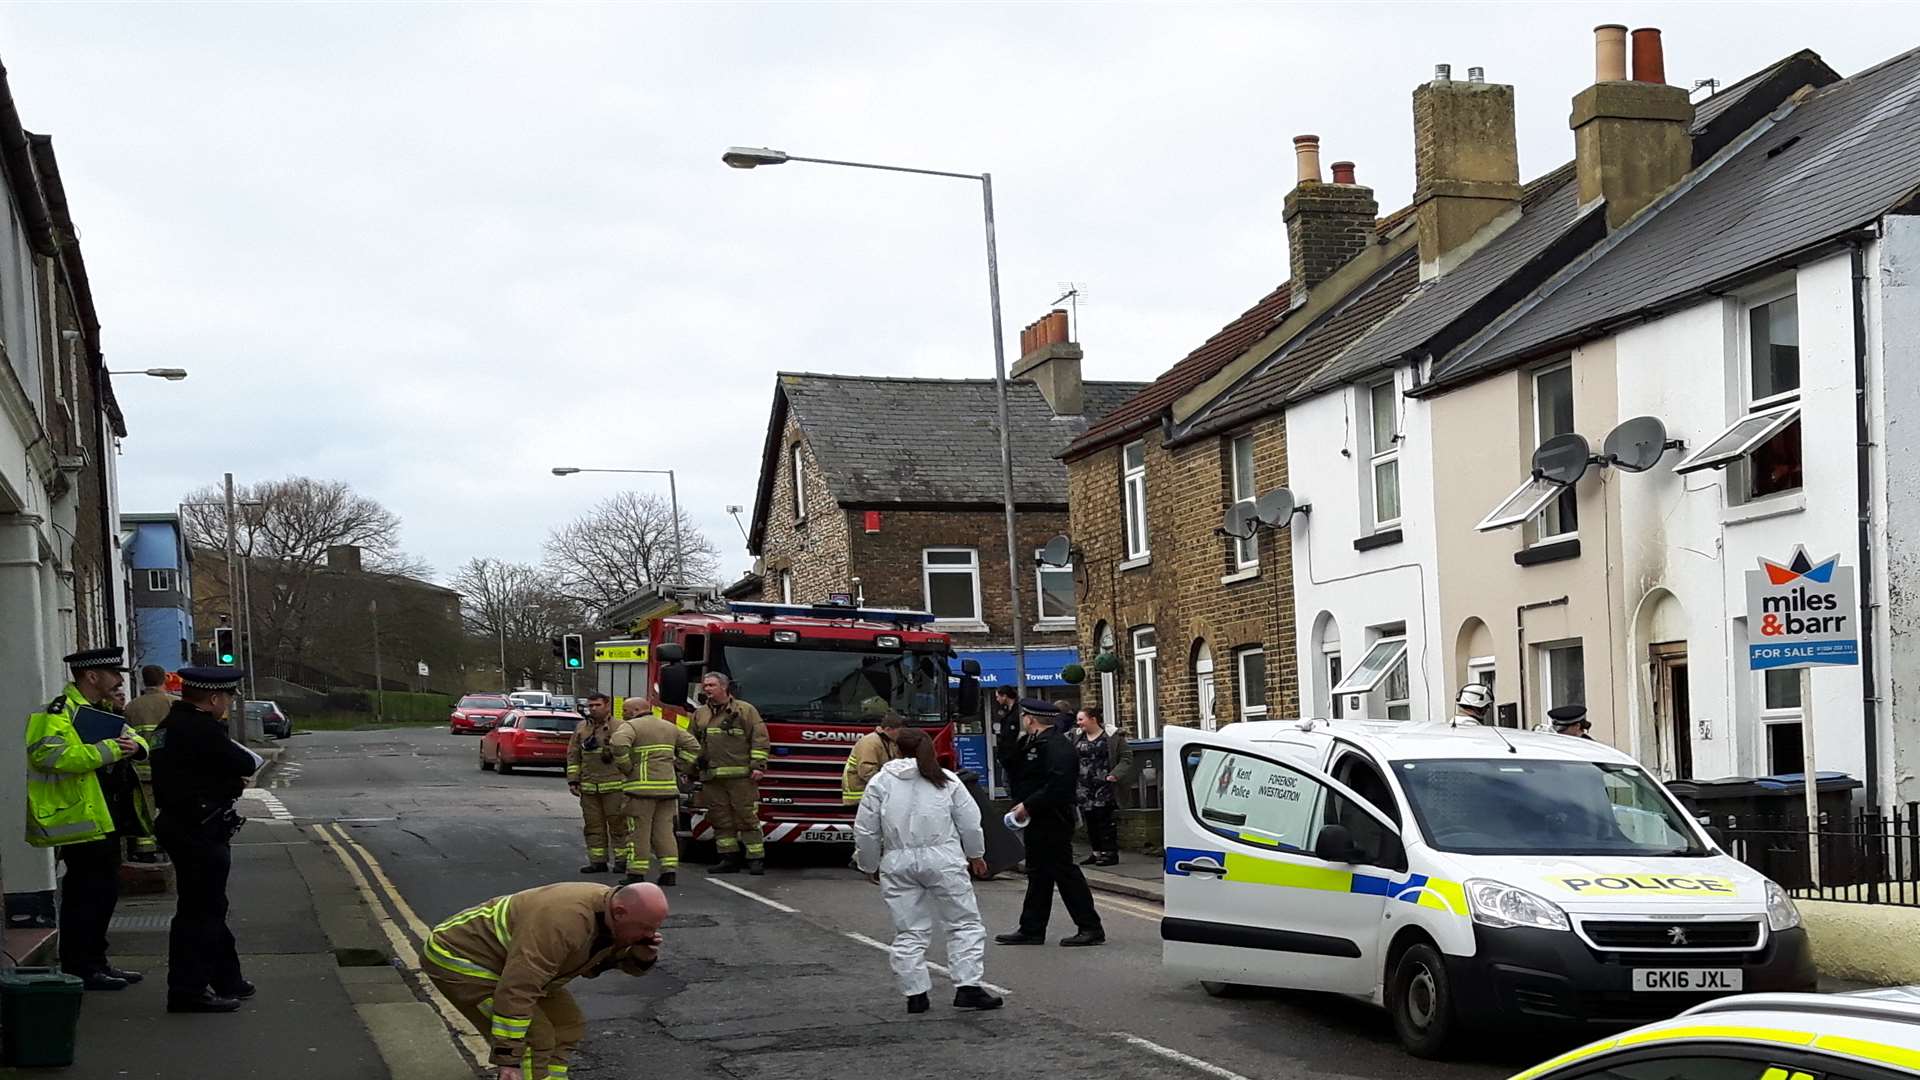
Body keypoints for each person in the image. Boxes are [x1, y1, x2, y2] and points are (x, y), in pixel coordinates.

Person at [422, 881, 667, 1080]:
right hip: (460, 958)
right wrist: (508, 1059)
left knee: (567, 1026)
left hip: (512, 964)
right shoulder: (562, 922)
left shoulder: (609, 915)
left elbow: (597, 962)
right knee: (533, 1040)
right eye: (645, 928)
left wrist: (642, 955)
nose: (650, 934)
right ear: (620, 913)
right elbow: (518, 988)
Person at [24, 646, 150, 991]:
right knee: (86, 895)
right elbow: (47, 755)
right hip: (81, 820)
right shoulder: (58, 713)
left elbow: (133, 737)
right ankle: (81, 966)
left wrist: (137, 747)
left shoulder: (102, 710)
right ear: (91, 676)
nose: (119, 680)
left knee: (104, 893)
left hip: (106, 817)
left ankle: (98, 961)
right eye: (113, 674)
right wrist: (108, 749)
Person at [854, 727, 1003, 1015]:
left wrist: (869, 864)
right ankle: (968, 988)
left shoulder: (881, 782)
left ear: (896, 750)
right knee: (963, 923)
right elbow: (970, 823)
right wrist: (976, 855)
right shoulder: (946, 781)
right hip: (943, 859)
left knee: (909, 930)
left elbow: (866, 829)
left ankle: (916, 994)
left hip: (898, 861)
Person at [149, 665, 261, 1013]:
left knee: (209, 906)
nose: (228, 703)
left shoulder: (169, 726)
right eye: (227, 697)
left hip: (179, 824)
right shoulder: (200, 729)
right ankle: (188, 990)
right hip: (199, 828)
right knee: (200, 912)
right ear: (214, 697)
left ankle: (227, 978)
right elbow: (244, 761)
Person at [996, 701, 1104, 948]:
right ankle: (1032, 929)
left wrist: (1028, 805)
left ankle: (1090, 927)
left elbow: (1059, 784)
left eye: (1023, 716)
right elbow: (1012, 765)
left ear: (1030, 718)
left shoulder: (1058, 746)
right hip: (1038, 817)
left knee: (1064, 872)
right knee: (1038, 874)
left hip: (1053, 817)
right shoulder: (1034, 742)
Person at [613, 697, 700, 887]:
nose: (623, 714)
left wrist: (626, 767)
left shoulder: (631, 727)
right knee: (665, 832)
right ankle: (669, 871)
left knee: (638, 832)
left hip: (640, 790)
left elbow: (618, 744)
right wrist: (680, 765)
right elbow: (694, 746)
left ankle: (636, 873)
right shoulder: (669, 727)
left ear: (636, 710)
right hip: (667, 789)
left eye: (626, 710)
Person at [691, 672, 769, 875]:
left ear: (724, 687)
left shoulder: (745, 710)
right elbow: (693, 744)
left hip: (741, 777)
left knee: (746, 817)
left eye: (711, 685)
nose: (707, 689)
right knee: (720, 819)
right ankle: (729, 858)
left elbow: (759, 739)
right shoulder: (700, 714)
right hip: (712, 777)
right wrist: (689, 770)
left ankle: (755, 859)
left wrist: (758, 766)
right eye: (705, 685)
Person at [565, 693, 630, 875]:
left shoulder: (621, 727)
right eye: (590, 705)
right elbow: (573, 756)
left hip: (615, 786)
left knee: (618, 825)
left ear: (607, 706)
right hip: (589, 787)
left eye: (597, 705)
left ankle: (622, 860)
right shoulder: (582, 728)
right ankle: (597, 861)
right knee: (593, 826)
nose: (593, 708)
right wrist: (573, 780)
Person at [123, 665, 174, 863]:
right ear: (164, 679)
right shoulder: (173, 704)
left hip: (140, 770)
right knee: (170, 808)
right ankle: (168, 843)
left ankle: (146, 849)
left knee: (145, 810)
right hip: (169, 769)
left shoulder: (132, 707)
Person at [1071, 706, 1134, 867]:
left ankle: (1110, 853)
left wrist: (1115, 774)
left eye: (1081, 719)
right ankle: (1096, 852)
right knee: (1090, 820)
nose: (1078, 723)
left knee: (1105, 820)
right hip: (1084, 786)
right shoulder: (1076, 736)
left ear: (1093, 719)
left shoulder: (1113, 736)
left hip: (1105, 785)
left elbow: (1126, 758)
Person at [842, 712, 905, 806]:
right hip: (860, 796)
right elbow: (867, 772)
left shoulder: (888, 742)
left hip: (872, 794)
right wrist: (889, 786)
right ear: (888, 729)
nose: (901, 735)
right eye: (900, 732)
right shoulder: (870, 742)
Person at [989, 686, 1021, 791]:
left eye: (998, 697)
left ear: (1005, 696)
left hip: (1014, 755)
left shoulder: (1018, 711)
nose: (997, 699)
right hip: (1006, 755)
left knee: (1010, 783)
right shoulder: (1006, 710)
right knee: (1006, 782)